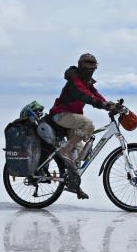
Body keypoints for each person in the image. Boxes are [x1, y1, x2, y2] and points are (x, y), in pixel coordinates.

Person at [49, 53, 118, 199]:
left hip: (71, 120)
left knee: (80, 155)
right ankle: (65, 151)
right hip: (61, 115)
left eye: (92, 67)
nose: (90, 70)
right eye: (87, 67)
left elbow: (95, 95)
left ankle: (74, 185)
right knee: (88, 124)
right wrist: (101, 104)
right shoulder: (75, 81)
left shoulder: (86, 82)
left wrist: (109, 104)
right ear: (80, 66)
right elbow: (84, 95)